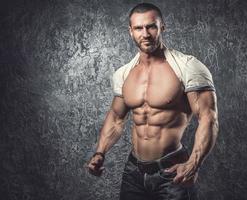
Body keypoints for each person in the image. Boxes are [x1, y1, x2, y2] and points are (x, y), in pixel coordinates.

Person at [87, 3, 219, 200]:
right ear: (130, 31)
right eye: (139, 28)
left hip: (172, 170)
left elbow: (208, 118)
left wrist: (193, 163)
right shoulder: (124, 74)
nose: (145, 34)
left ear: (162, 27)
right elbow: (116, 118)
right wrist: (100, 152)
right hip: (134, 171)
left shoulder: (187, 67)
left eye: (151, 26)